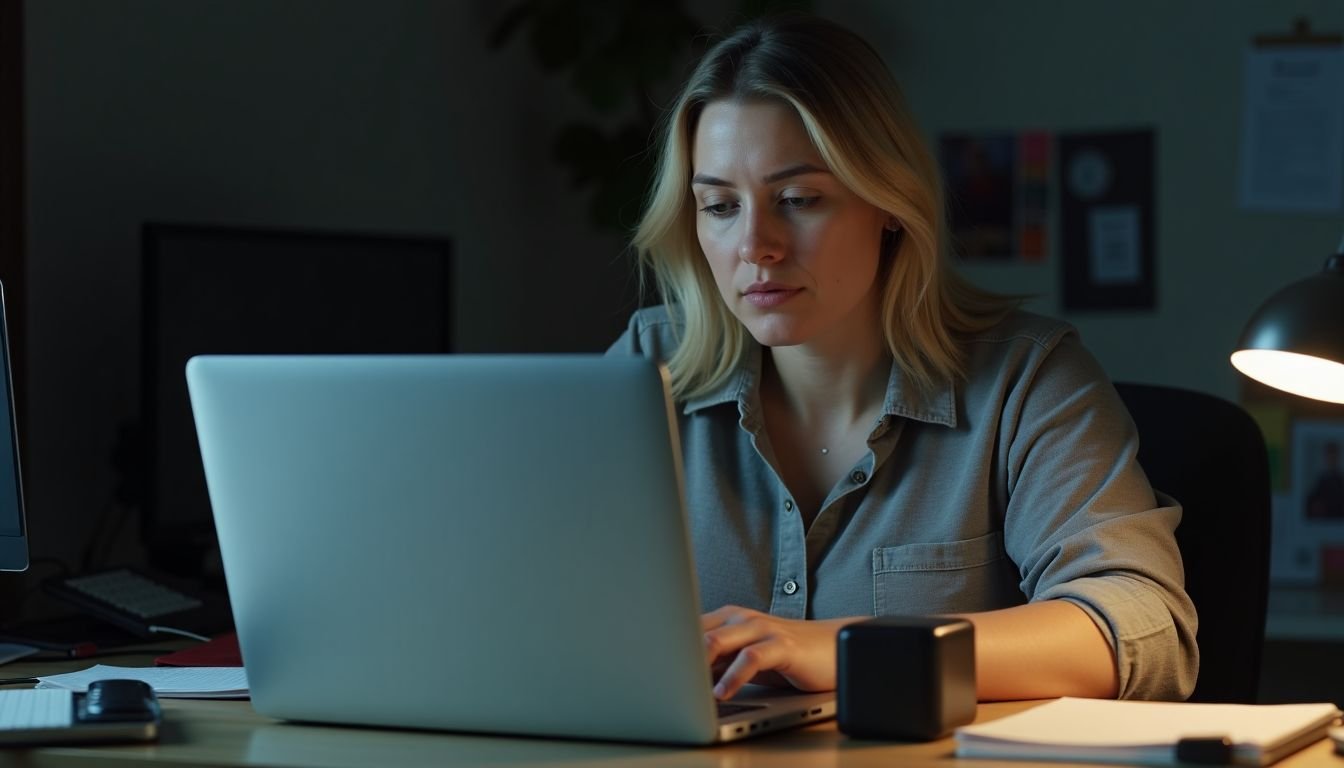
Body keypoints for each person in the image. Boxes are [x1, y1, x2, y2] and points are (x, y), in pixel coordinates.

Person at [607, 14, 1197, 702]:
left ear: (887, 202)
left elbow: (1140, 628)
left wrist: (843, 649)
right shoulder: (645, 370)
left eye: (799, 199)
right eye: (718, 205)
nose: (755, 245)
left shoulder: (1027, 380)